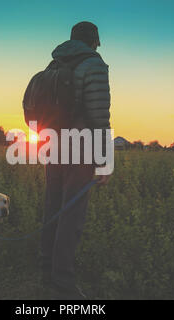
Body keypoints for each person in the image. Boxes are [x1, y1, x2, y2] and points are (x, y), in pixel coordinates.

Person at [40, 21, 111, 299]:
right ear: (94, 42)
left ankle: (46, 268)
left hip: (52, 144)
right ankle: (63, 280)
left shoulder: (54, 63)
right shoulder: (94, 64)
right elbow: (99, 114)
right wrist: (105, 160)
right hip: (80, 146)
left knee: (53, 206)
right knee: (72, 212)